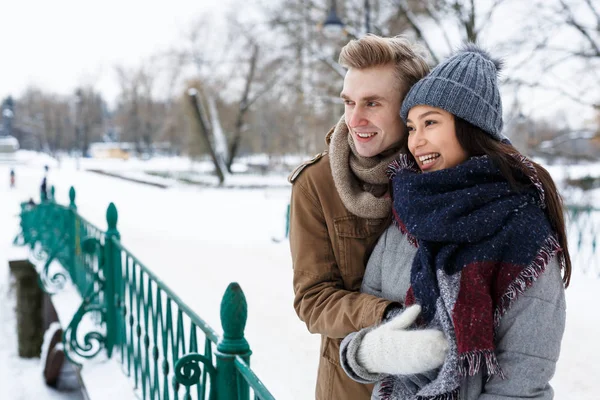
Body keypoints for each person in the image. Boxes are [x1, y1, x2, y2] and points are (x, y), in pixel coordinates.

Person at [340, 44, 571, 399]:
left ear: (470, 127)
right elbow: (360, 329)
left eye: (430, 123)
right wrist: (369, 352)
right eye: (411, 126)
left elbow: (522, 382)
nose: (416, 141)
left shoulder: (523, 234)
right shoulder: (407, 214)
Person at [289, 35, 430, 400]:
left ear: (408, 107)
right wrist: (386, 315)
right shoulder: (315, 184)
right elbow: (312, 299)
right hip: (352, 387)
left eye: (372, 103)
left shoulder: (439, 171)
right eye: (349, 102)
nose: (354, 119)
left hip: (436, 381)